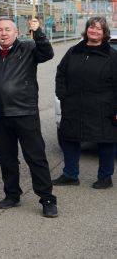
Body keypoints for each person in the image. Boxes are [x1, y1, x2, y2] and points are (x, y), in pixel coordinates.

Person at [0, 17, 57, 217]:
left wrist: (38, 32)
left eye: (7, 30)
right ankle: (12, 194)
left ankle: (47, 199)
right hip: (0, 115)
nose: (3, 33)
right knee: (7, 158)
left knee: (35, 158)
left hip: (25, 112)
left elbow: (47, 53)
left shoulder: (28, 48)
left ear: (16, 32)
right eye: (0, 30)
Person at [53, 16, 117, 189]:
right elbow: (61, 73)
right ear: (86, 29)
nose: (94, 31)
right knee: (70, 139)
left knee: (105, 141)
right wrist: (62, 95)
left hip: (102, 108)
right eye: (91, 27)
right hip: (73, 105)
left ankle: (105, 177)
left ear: (104, 33)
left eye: (98, 29)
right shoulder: (74, 51)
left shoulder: (112, 56)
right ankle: (70, 175)